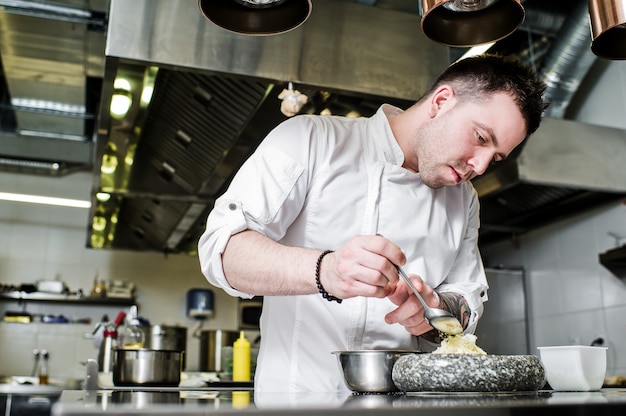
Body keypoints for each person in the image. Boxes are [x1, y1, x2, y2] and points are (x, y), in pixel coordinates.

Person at [198, 54, 548, 393]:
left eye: (496, 157)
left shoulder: (464, 200)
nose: (482, 165)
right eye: (481, 138)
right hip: (299, 400)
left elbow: (467, 297)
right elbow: (222, 251)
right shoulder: (312, 138)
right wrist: (325, 269)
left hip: (406, 404)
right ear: (441, 101)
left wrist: (437, 312)